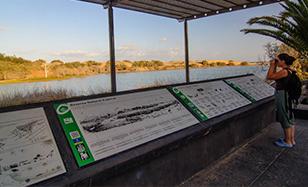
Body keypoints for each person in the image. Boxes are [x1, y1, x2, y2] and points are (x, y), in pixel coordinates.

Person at [266, 53, 296, 148]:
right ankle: (291, 140)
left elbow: (270, 76)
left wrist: (272, 65)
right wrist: (274, 66)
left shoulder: (284, 72)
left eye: (277, 60)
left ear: (283, 61)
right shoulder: (290, 70)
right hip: (288, 96)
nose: (276, 62)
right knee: (290, 117)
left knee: (284, 117)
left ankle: (287, 142)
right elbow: (274, 75)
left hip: (283, 96)